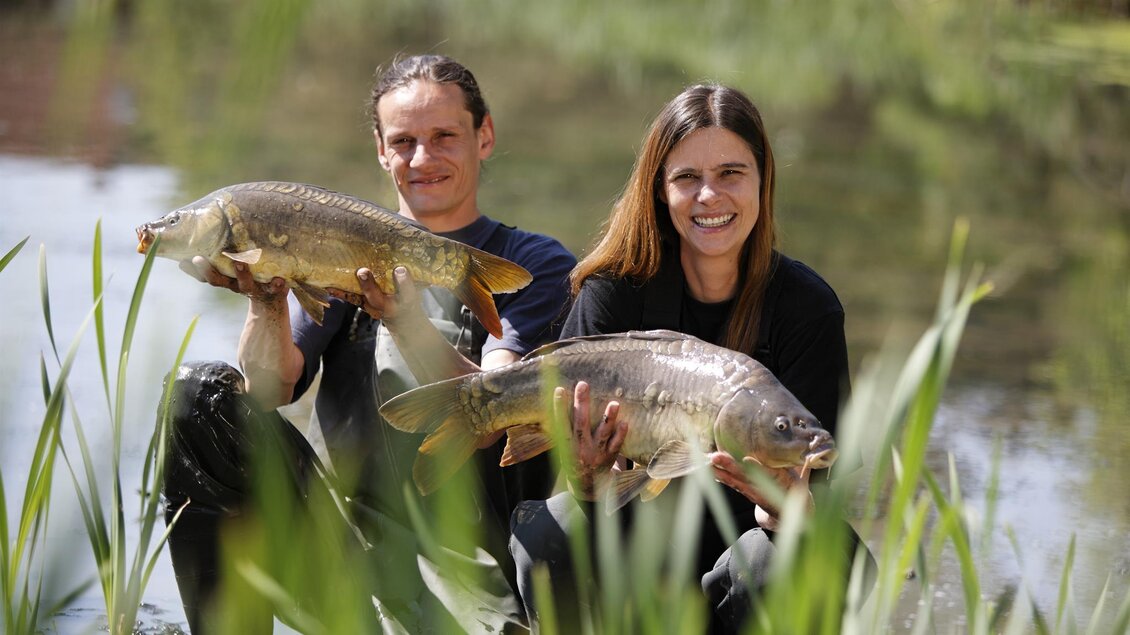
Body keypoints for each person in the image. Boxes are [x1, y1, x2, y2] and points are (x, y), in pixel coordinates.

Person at [160, 54, 576, 633]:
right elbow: (267, 387)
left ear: (484, 136)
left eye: (444, 137)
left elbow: (501, 408)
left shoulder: (534, 264)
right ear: (381, 150)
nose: (422, 159)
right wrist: (267, 298)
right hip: (345, 554)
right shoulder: (337, 241)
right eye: (404, 141)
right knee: (197, 398)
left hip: (471, 575)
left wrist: (408, 324)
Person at [508, 83, 872, 634]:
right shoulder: (614, 291)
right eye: (687, 178)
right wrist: (584, 476)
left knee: (775, 559)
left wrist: (789, 508)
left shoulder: (808, 308)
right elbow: (582, 478)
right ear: (660, 189)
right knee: (548, 532)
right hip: (639, 546)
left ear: (761, 180)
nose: (710, 196)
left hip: (749, 557)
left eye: (730, 173)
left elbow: (818, 491)